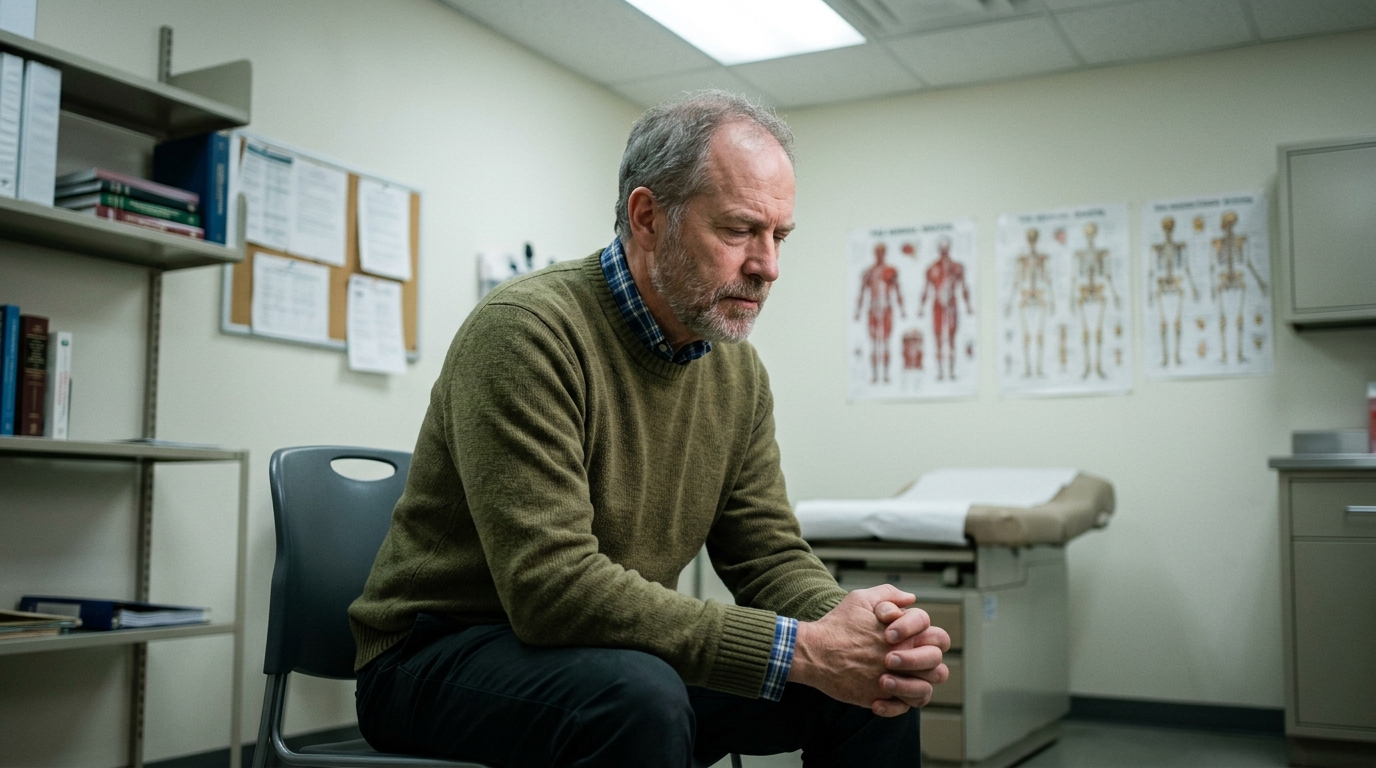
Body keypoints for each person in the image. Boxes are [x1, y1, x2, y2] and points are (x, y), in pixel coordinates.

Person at [348, 91, 950, 767]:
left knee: (875, 686)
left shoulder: (737, 374)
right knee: (638, 696)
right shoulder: (526, 332)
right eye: (739, 230)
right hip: (435, 653)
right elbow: (552, 588)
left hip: (608, 652)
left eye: (778, 236)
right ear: (647, 218)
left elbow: (767, 554)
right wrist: (803, 650)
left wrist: (859, 634)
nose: (767, 266)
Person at [854, 241, 905, 383]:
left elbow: (897, 290)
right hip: (873, 308)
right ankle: (875, 375)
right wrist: (858, 311)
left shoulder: (891, 271)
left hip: (886, 308)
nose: (880, 255)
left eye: (882, 252)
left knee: (886, 342)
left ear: (885, 254)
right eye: (878, 252)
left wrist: (902, 309)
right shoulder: (868, 272)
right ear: (874, 254)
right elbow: (862, 292)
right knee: (874, 343)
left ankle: (886, 374)